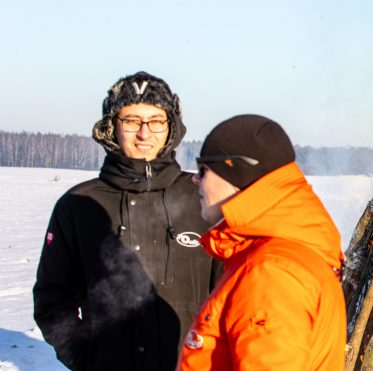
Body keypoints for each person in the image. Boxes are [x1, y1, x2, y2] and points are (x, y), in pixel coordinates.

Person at [33, 71, 220, 370]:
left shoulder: (204, 199)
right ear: (112, 127)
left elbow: (232, 292)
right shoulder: (79, 206)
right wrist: (86, 358)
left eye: (156, 120)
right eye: (132, 120)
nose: (145, 133)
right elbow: (52, 299)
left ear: (171, 127)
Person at [177, 114, 345, 370]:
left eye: (204, 169)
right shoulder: (272, 255)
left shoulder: (271, 273)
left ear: (236, 173)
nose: (195, 179)